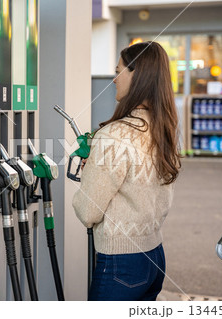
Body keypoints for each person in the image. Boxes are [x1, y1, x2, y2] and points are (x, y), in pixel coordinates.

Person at [72, 41, 181, 301]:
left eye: (119, 71)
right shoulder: (163, 128)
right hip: (154, 256)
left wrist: (89, 176)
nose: (114, 79)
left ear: (137, 75)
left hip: (121, 264)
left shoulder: (114, 135)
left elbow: (88, 212)